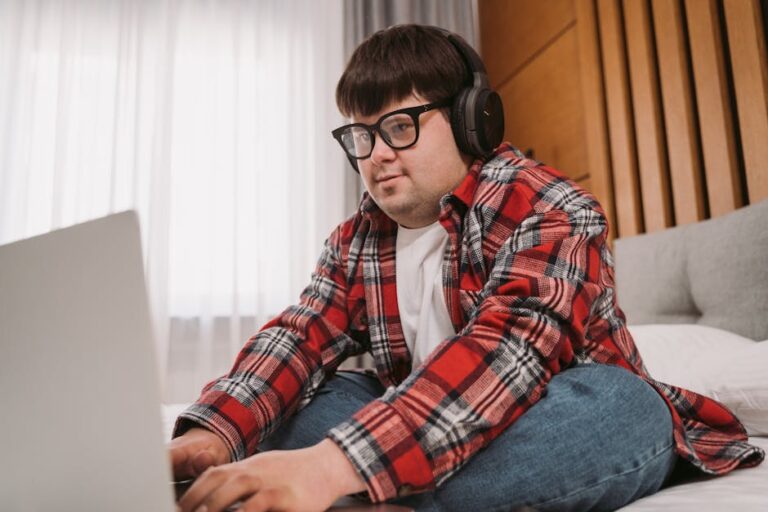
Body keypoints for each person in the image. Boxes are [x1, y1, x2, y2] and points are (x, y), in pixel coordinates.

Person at [170, 24, 763, 512]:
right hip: (425, 424)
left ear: (470, 119)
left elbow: (507, 352)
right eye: (360, 135)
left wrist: (332, 464)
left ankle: (368, 483)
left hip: (547, 415)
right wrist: (213, 433)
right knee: (306, 391)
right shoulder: (356, 238)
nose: (375, 156)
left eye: (399, 127)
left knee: (623, 404)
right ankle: (386, 482)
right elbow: (300, 335)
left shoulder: (552, 206)